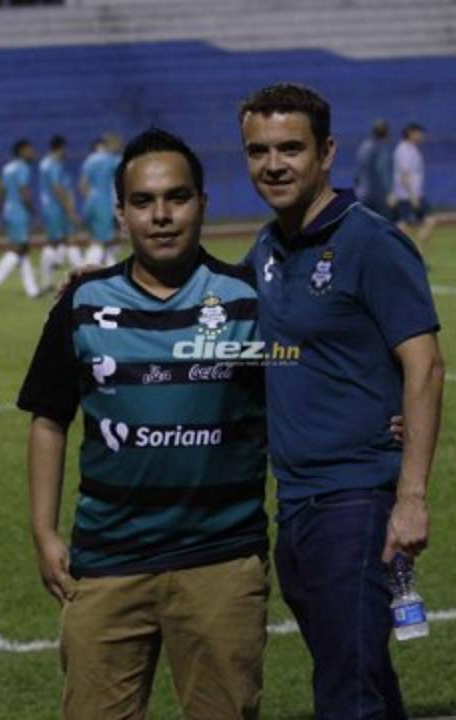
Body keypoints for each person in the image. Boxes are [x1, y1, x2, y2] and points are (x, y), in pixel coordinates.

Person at [18, 127, 270, 719]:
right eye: (143, 201)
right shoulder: (82, 305)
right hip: (107, 564)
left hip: (221, 561)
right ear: (121, 212)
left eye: (177, 198)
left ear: (202, 204)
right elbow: (48, 419)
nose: (161, 215)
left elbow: (308, 390)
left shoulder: (249, 300)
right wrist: (43, 531)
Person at [238, 83, 445, 719]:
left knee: (346, 691)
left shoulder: (370, 242)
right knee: (363, 677)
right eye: (258, 150)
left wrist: (410, 498)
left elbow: (426, 365)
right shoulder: (266, 251)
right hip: (296, 504)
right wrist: (103, 282)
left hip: (356, 504)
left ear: (326, 153)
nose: (274, 163)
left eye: (291, 148)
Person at [0, 139, 40, 298]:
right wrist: (33, 211)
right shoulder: (23, 168)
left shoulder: (7, 168)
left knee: (23, 250)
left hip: (9, 211)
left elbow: (1, 193)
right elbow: (23, 191)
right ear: (21, 151)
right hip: (19, 212)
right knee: (17, 249)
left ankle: (32, 290)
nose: (32, 153)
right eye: (29, 150)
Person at [37, 135, 82, 292]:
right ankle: (82, 278)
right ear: (60, 148)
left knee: (60, 241)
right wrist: (70, 210)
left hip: (51, 207)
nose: (66, 152)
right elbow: (57, 188)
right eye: (64, 149)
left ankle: (47, 279)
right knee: (62, 242)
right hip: (57, 208)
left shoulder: (45, 163)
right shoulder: (53, 164)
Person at [391, 122, 438, 260]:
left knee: (424, 222)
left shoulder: (412, 149)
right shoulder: (404, 150)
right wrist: (412, 196)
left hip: (414, 194)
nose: (422, 135)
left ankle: (416, 254)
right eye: (419, 132)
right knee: (405, 227)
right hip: (407, 196)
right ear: (411, 133)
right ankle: (409, 255)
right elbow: (404, 175)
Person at [79, 133, 123, 266]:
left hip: (91, 203)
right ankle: (84, 275)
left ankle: (112, 272)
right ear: (110, 144)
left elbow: (82, 185)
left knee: (104, 240)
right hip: (105, 204)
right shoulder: (113, 160)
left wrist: (91, 201)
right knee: (101, 242)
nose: (119, 146)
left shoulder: (90, 159)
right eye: (117, 143)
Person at [355, 119, 394, 220]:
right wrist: (389, 193)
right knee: (382, 225)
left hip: (362, 193)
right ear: (387, 132)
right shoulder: (381, 148)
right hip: (377, 195)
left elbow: (357, 173)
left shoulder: (364, 147)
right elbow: (382, 171)